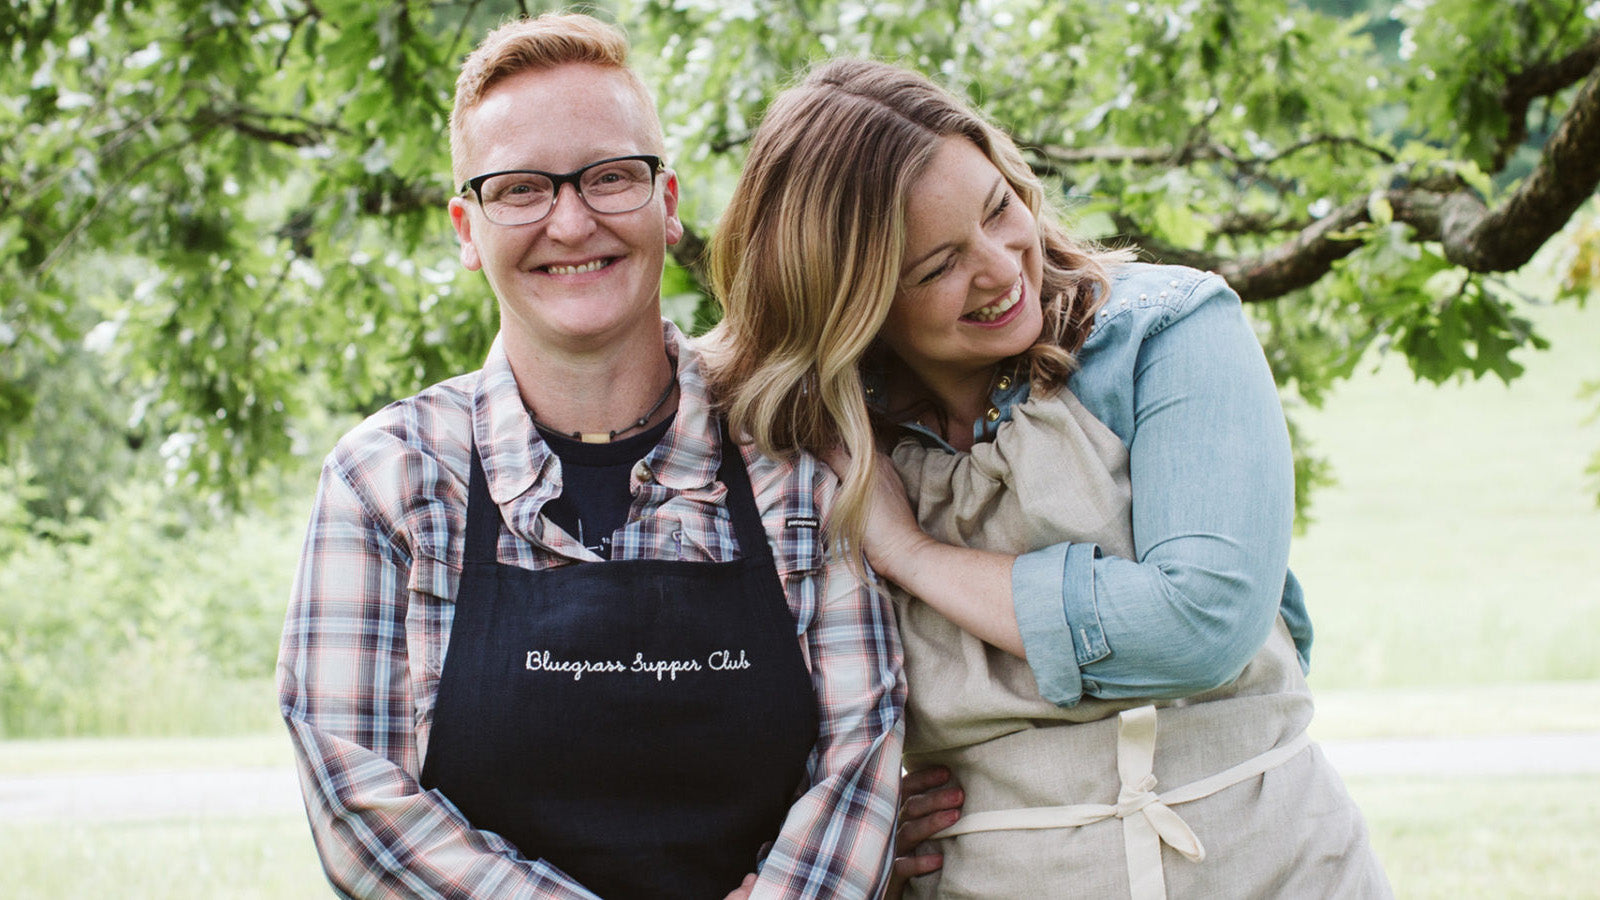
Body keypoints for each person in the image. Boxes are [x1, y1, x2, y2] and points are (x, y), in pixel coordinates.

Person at [702, 58, 1391, 898]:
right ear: (855, 301)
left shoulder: (1165, 333)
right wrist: (843, 820)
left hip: (1274, 870)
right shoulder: (812, 442)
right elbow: (735, 696)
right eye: (937, 266)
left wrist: (913, 554)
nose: (1001, 267)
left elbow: (1198, 626)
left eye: (999, 209)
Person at [276, 17, 904, 900]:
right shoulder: (389, 479)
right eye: (521, 189)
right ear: (467, 227)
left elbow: (861, 763)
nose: (571, 222)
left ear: (669, 199)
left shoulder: (793, 456)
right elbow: (363, 812)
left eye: (610, 177)